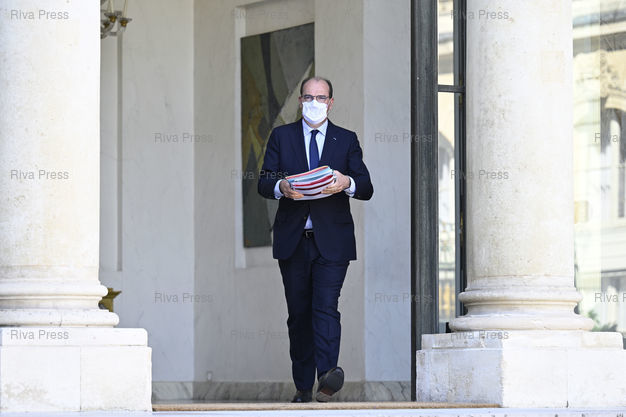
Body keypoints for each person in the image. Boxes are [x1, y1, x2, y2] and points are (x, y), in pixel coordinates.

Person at [258, 76, 373, 402]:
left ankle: (327, 376)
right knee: (299, 315)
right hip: (293, 240)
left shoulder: (345, 139)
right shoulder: (282, 136)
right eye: (308, 97)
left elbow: (366, 186)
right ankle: (302, 386)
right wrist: (282, 187)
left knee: (325, 307)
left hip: (332, 241)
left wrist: (345, 182)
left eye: (321, 98)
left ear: (330, 103)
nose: (314, 103)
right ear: (300, 101)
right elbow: (264, 181)